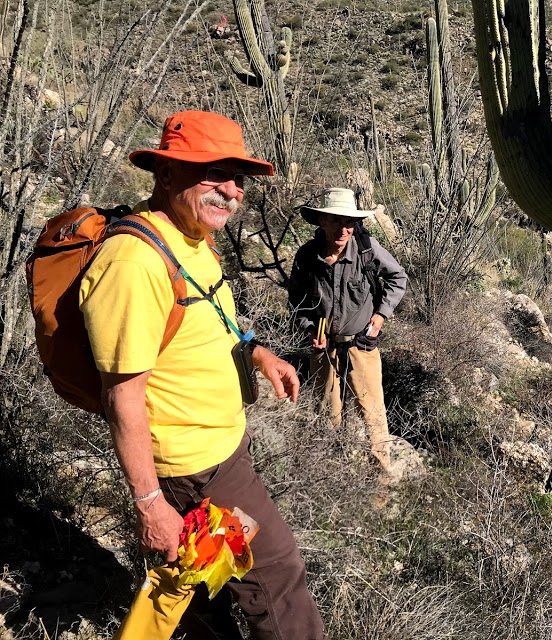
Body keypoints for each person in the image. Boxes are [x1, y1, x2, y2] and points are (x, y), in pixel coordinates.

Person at [79, 110, 326, 639]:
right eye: (213, 172)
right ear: (165, 174)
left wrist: (258, 353)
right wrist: (151, 504)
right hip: (197, 471)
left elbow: (211, 316)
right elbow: (122, 397)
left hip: (218, 453)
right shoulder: (134, 263)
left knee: (193, 583)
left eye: (238, 177)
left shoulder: (190, 237)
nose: (231, 190)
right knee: (278, 576)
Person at [287, 188, 407, 481]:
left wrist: (379, 317)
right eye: (336, 221)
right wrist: (307, 330)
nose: (343, 229)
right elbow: (296, 299)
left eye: (349, 222)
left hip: (361, 345)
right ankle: (329, 478)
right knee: (327, 414)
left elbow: (397, 277)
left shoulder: (366, 249)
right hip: (324, 347)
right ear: (322, 221)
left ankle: (380, 480)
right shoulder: (307, 256)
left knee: (372, 415)